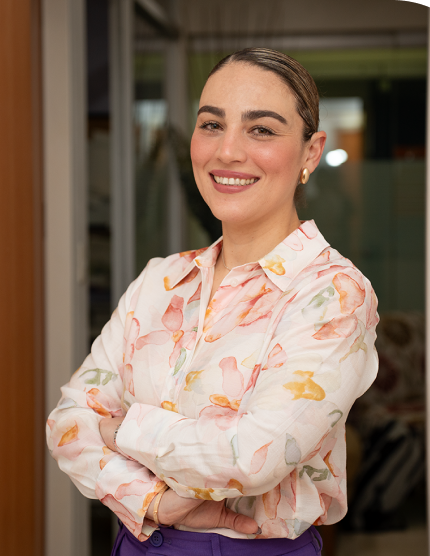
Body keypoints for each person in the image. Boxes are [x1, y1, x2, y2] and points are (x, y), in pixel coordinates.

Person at [47, 47, 379, 556]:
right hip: (137, 539)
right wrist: (154, 501)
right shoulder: (160, 281)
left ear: (311, 153)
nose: (227, 152)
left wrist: (118, 427)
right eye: (211, 125)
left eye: (261, 129)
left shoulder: (331, 295)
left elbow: (251, 458)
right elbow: (68, 422)